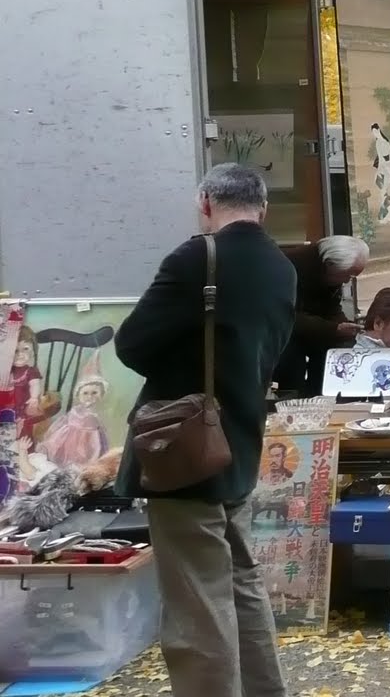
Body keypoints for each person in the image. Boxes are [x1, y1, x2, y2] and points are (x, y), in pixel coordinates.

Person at [113, 163, 294, 697]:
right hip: (239, 441)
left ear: (206, 203)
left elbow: (132, 345)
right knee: (240, 582)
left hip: (183, 448)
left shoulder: (197, 258)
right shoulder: (281, 267)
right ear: (263, 208)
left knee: (197, 601)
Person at [273, 235, 368, 396]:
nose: (347, 281)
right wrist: (333, 328)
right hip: (283, 332)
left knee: (342, 344)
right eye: (348, 275)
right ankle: (294, 400)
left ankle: (324, 395)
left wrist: (342, 327)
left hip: (309, 327)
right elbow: (284, 316)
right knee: (292, 359)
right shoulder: (288, 268)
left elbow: (331, 308)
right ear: (330, 264)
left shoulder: (330, 273)